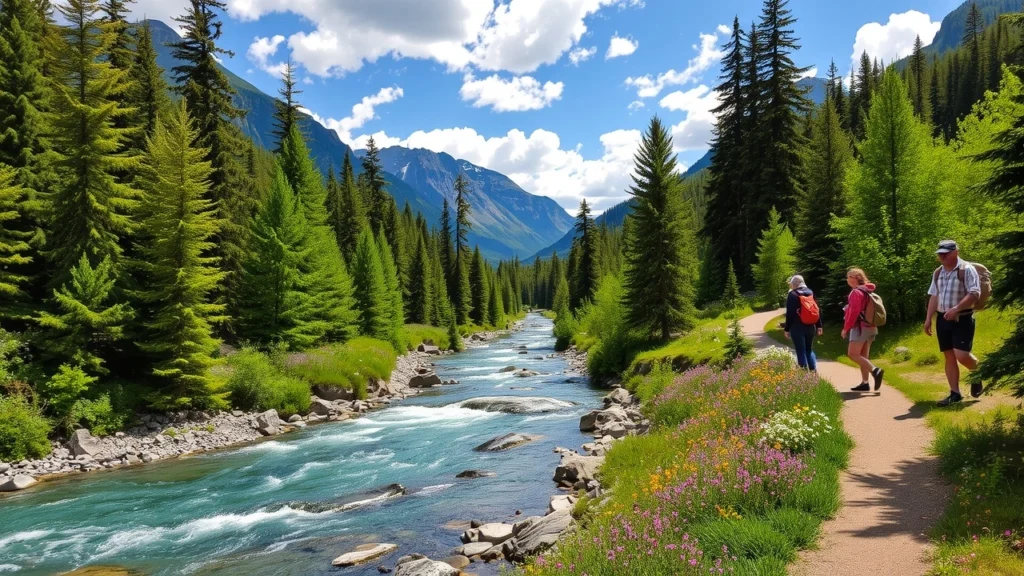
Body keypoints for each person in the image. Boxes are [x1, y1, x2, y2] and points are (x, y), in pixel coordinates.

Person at [924, 240, 983, 407]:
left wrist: (956, 308)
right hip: (942, 319)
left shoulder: (967, 270)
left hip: (962, 318)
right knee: (949, 356)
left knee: (961, 355)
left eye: (946, 253)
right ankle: (955, 393)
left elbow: (974, 293)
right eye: (940, 254)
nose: (942, 256)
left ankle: (978, 373)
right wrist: (929, 318)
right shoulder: (937, 272)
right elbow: (934, 296)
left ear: (956, 252)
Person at [841, 268, 884, 392]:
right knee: (864, 356)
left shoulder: (856, 292)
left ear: (855, 278)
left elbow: (854, 312)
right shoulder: (867, 290)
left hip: (860, 328)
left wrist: (846, 328)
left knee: (852, 354)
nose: (847, 279)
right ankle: (865, 383)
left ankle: (876, 371)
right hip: (871, 327)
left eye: (849, 276)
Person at [782, 275, 823, 371]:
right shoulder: (810, 292)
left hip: (797, 327)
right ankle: (813, 370)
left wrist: (787, 328)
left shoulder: (792, 294)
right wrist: (819, 325)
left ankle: (803, 373)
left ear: (794, 283)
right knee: (809, 349)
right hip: (811, 326)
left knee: (800, 350)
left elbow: (790, 313)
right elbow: (817, 310)